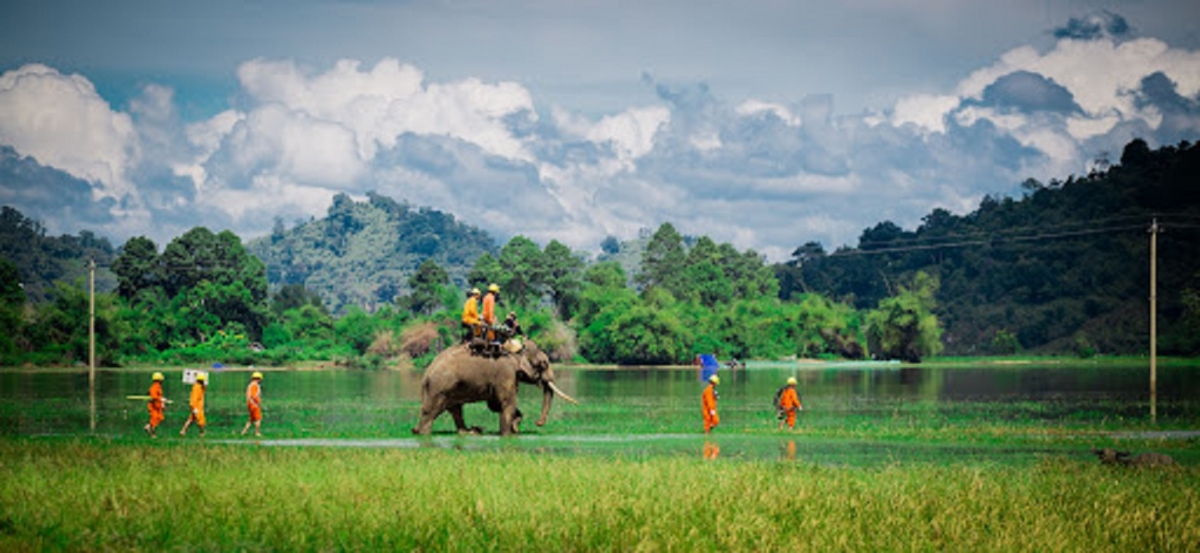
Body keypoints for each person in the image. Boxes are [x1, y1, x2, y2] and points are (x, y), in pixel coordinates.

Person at [180, 372, 207, 437]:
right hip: (196, 407)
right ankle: (202, 433)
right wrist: (194, 407)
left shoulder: (200, 386)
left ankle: (183, 431)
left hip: (198, 406)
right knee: (200, 420)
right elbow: (193, 398)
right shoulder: (196, 387)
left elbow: (204, 390)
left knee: (191, 419)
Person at [241, 371, 264, 437]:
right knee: (258, 419)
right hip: (254, 404)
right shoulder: (254, 385)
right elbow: (254, 396)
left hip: (250, 404)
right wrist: (258, 403)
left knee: (251, 419)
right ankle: (257, 433)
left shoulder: (250, 385)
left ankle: (244, 432)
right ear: (258, 379)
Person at [144, 372, 166, 438]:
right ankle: (153, 434)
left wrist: (162, 404)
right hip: (153, 406)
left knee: (160, 418)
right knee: (154, 419)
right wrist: (161, 399)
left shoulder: (158, 387)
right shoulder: (154, 387)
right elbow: (154, 396)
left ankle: (148, 426)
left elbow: (159, 395)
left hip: (158, 406)